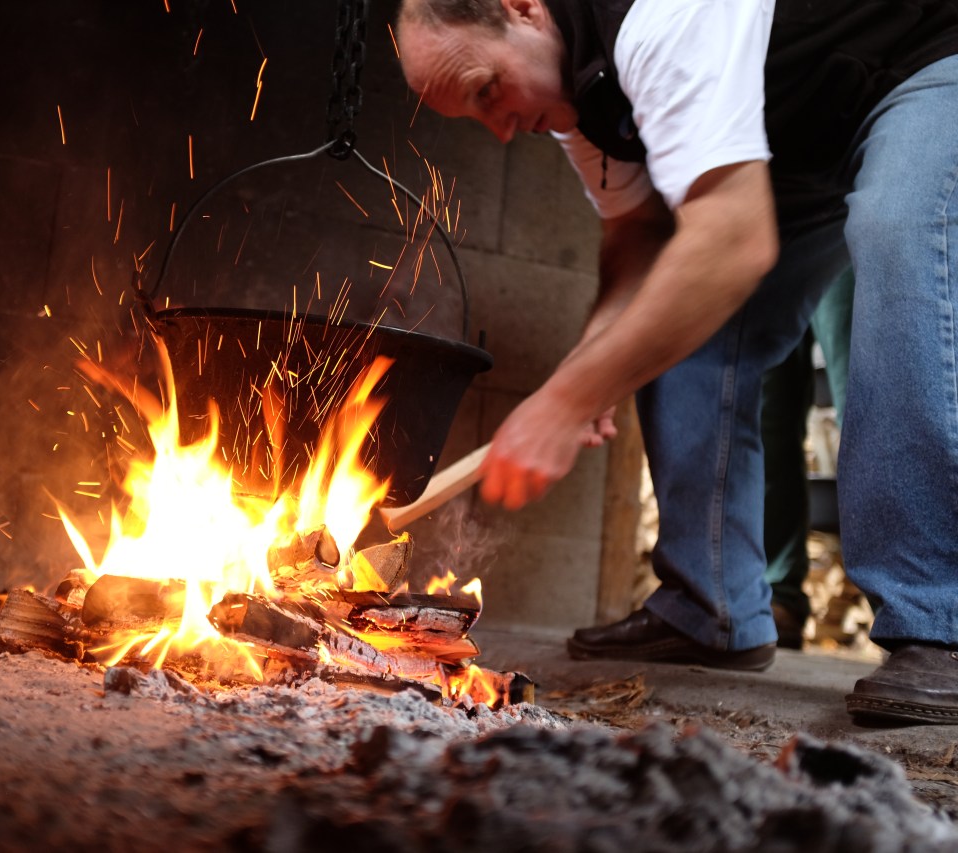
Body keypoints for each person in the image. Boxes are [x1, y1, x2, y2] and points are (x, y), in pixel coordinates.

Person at [395, 0, 958, 724]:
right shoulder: (576, 92)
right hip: (798, 137)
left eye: (487, 91)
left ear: (522, 8)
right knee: (672, 315)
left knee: (902, 221)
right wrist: (593, 363)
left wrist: (566, 402)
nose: (501, 128)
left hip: (923, 56)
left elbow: (733, 244)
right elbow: (638, 238)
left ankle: (939, 619)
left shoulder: (654, 19)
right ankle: (709, 605)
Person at [762, 268, 853, 649]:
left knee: (868, 396)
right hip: (777, 226)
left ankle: (913, 615)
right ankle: (774, 593)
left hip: (854, 218)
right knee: (763, 413)